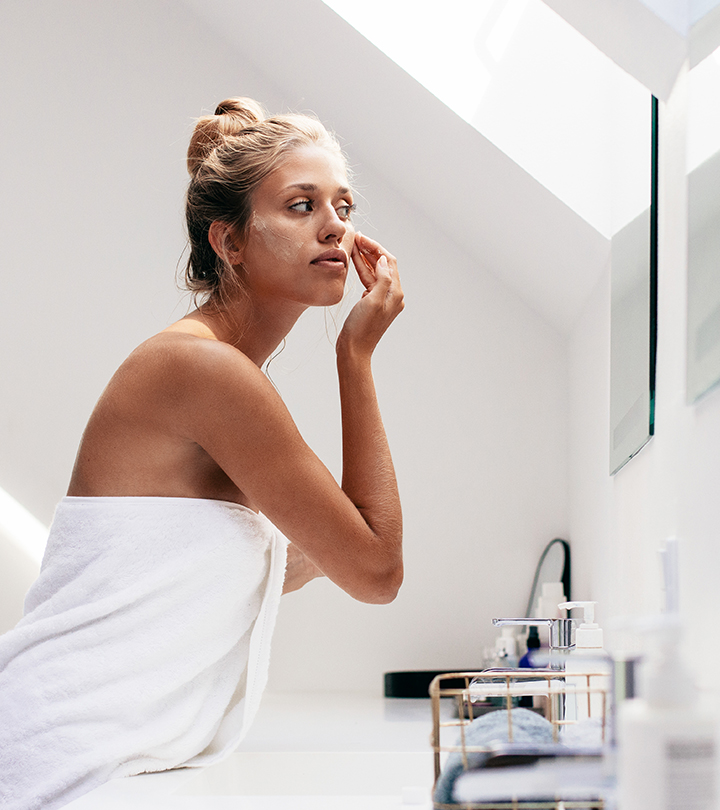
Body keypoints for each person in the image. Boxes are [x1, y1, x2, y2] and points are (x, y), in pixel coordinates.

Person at [0, 97, 404, 810]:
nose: (336, 225)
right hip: (59, 754)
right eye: (302, 205)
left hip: (105, 757)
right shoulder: (205, 370)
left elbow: (250, 565)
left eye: (343, 206)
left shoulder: (221, 372)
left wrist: (327, 542)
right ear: (230, 241)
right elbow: (376, 571)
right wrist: (356, 356)